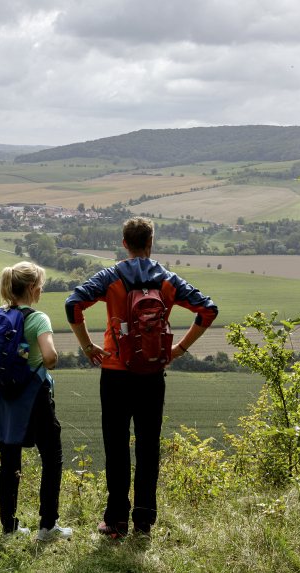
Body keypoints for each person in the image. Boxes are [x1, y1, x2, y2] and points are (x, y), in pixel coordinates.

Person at [65, 217, 218, 538]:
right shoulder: (168, 280)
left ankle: (116, 520)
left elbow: (73, 303)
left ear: (124, 244)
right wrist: (179, 349)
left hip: (115, 373)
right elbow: (208, 310)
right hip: (152, 373)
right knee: (149, 446)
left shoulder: (111, 277)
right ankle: (144, 521)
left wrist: (87, 345)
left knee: (116, 445)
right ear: (151, 243)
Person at [0, 261, 72, 541]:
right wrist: (52, 361)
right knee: (52, 458)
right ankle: (47, 527)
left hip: (2, 398)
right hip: (34, 397)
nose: (42, 291)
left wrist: (5, 366)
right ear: (33, 289)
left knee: (9, 463)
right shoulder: (38, 319)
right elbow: (48, 357)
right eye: (41, 286)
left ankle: (9, 527)